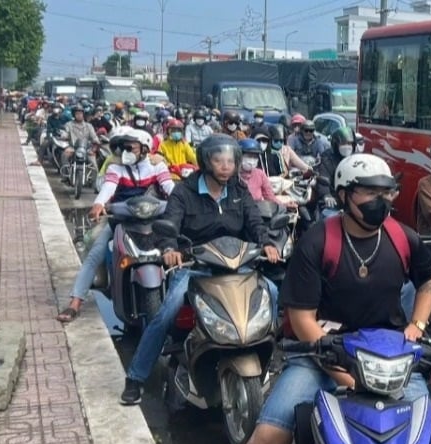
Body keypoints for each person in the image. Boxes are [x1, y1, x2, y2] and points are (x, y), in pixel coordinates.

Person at [185, 153, 431, 444]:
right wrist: (343, 369)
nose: (380, 201)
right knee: (270, 433)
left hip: (388, 360)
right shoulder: (318, 241)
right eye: (370, 192)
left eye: (386, 192)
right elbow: (301, 319)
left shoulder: (402, 237)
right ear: (345, 195)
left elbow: (430, 277)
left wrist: (417, 325)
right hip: (319, 355)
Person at [119, 134, 281, 404]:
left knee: (273, 293)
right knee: (165, 314)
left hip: (236, 266)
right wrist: (170, 249)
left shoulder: (239, 191)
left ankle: (270, 355)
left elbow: (255, 223)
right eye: (219, 160)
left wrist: (267, 244)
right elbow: (170, 223)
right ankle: (136, 377)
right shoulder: (185, 191)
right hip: (196, 267)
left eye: (230, 160)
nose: (226, 166)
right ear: (206, 161)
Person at [57, 129, 175, 323]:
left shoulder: (157, 165)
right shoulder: (116, 167)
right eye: (122, 147)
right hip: (120, 218)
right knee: (96, 250)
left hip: (152, 219)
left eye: (130, 147)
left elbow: (170, 188)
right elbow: (108, 187)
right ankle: (75, 302)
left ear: (144, 147)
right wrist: (98, 204)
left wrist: (182, 202)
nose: (125, 151)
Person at [313, 127, 356, 217]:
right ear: (336, 144)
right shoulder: (327, 158)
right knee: (328, 217)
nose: (347, 146)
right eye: (343, 143)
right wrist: (326, 194)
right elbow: (323, 177)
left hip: (354, 200)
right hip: (333, 200)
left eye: (349, 143)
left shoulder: (356, 159)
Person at [60, 105, 100, 180]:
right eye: (77, 113)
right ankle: (65, 176)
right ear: (74, 115)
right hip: (73, 148)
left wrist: (96, 143)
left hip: (86, 149)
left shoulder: (89, 126)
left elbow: (94, 137)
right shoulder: (69, 124)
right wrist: (64, 136)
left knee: (94, 164)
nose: (79, 115)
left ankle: (95, 184)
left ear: (83, 114)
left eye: (80, 113)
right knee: (64, 155)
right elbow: (65, 133)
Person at [238, 138, 279, 204]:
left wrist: (285, 205)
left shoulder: (260, 174)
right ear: (239, 156)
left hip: (258, 210)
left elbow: (270, 197)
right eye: (248, 156)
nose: (251, 161)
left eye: (255, 157)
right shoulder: (232, 175)